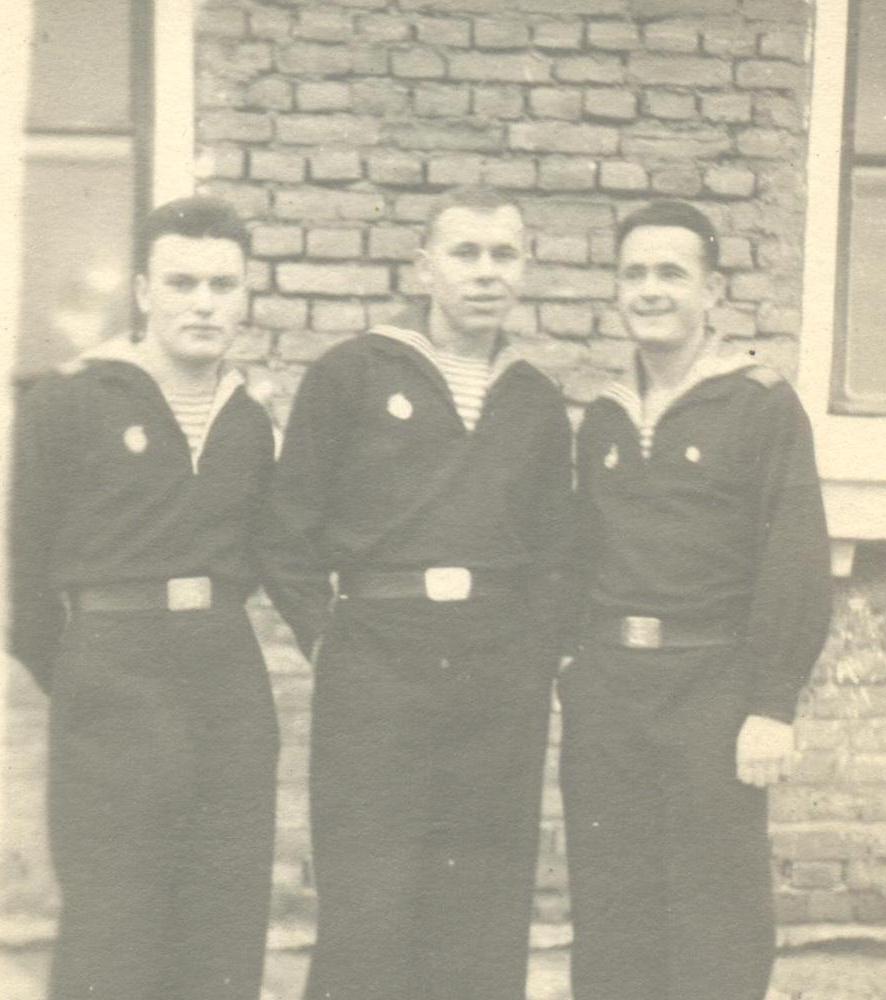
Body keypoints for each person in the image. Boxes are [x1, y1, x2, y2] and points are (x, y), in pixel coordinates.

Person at [264, 186, 576, 1000]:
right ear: (424, 266)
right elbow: (285, 529)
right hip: (378, 663)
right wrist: (330, 641)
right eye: (465, 253)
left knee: (483, 905)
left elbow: (556, 550)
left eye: (503, 255)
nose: (485, 272)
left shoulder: (534, 397)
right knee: (370, 905)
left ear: (525, 269)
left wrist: (531, 658)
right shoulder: (353, 373)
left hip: (497, 674)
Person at [8, 196, 280, 1000]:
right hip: (113, 678)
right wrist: (89, 675)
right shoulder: (70, 400)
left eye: (223, 285)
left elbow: (258, 552)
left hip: (225, 680)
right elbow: (27, 577)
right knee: (114, 925)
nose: (204, 303)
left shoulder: (250, 419)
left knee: (223, 918)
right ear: (142, 292)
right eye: (183, 283)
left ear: (245, 295)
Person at [560, 200, 832, 1000]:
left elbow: (795, 555)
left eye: (671, 273)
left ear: (711, 291)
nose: (650, 290)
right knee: (612, 910)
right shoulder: (604, 416)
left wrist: (772, 703)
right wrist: (575, 663)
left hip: (712, 689)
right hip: (611, 692)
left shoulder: (759, 402)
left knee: (717, 918)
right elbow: (581, 552)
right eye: (633, 274)